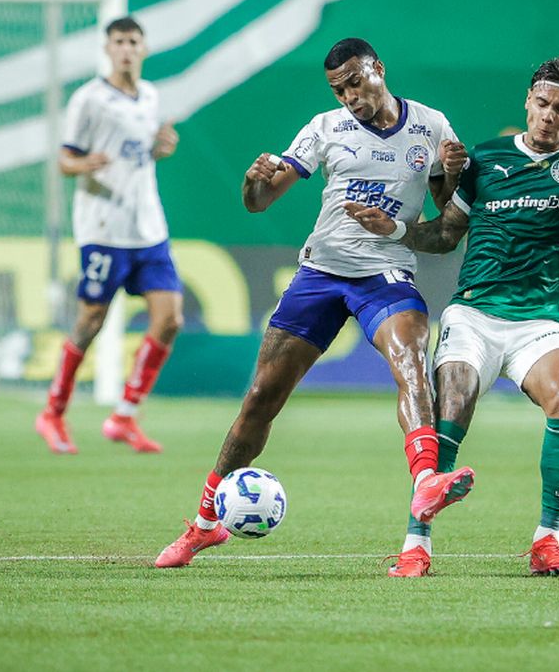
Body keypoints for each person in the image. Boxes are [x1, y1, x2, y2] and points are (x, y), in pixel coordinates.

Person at [346, 56, 559, 577]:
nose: (549, 116)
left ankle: (547, 541)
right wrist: (393, 230)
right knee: (453, 402)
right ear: (528, 101)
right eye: (543, 104)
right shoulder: (485, 159)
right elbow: (445, 235)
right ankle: (416, 546)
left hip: (538, 323)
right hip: (474, 314)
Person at [153, 38, 474, 569]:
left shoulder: (431, 126)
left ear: (378, 68)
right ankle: (205, 524)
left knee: (412, 360)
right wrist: (252, 182)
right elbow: (260, 202)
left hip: (386, 273)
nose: (349, 97)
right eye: (338, 90)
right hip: (321, 273)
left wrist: (455, 174)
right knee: (261, 398)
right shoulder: (325, 127)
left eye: (355, 82)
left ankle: (425, 481)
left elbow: (447, 222)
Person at [35, 16, 182, 455]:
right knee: (90, 321)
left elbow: (141, 154)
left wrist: (160, 149)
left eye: (133, 41)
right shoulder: (89, 100)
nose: (126, 49)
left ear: (144, 48)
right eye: (118, 41)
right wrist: (85, 164)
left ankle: (124, 415)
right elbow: (64, 160)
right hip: (103, 229)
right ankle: (53, 413)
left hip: (148, 227)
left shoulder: (150, 95)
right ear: (107, 48)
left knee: (170, 319)